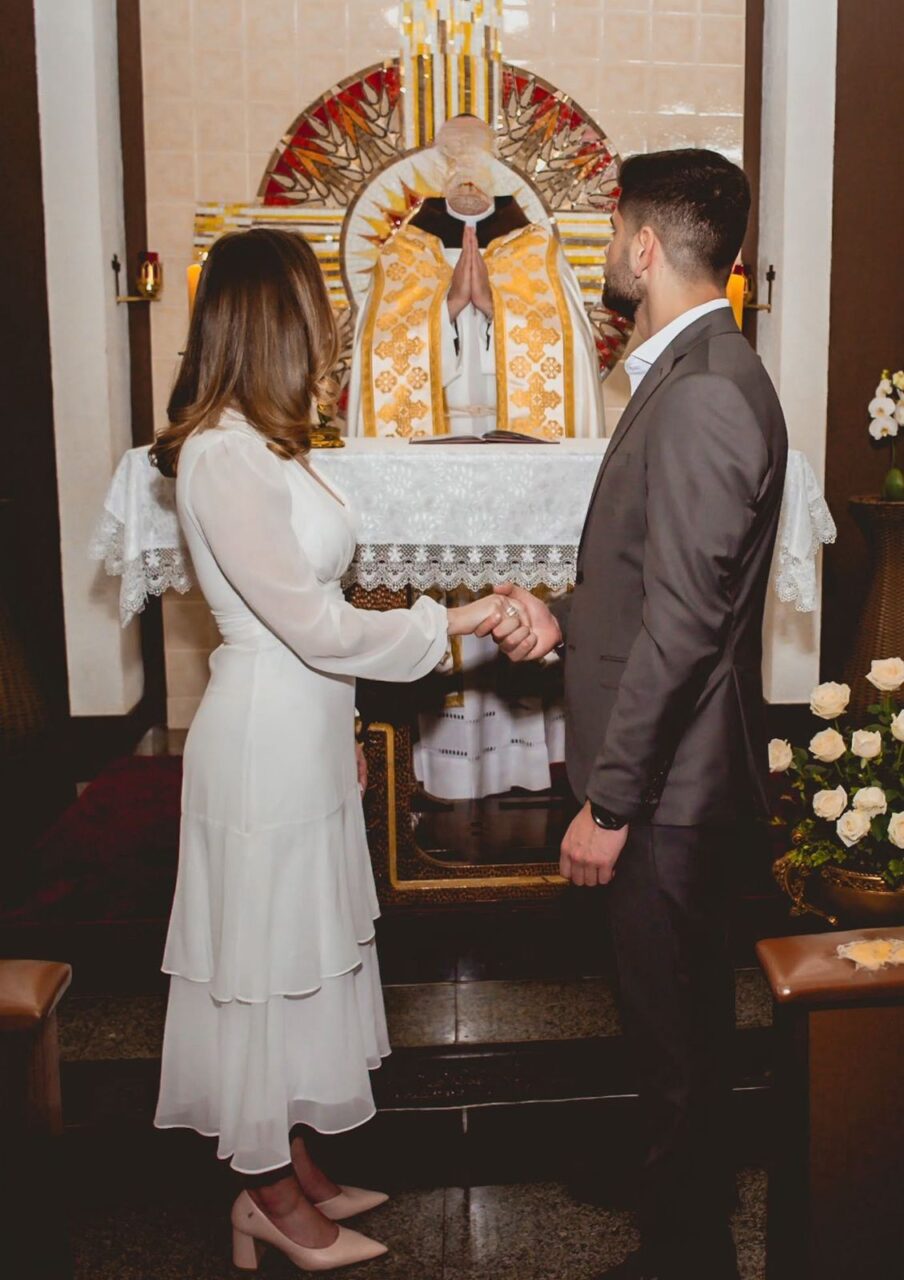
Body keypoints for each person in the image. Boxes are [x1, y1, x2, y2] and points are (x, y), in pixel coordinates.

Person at [149, 228, 522, 1274]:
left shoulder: (267, 442)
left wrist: (347, 726)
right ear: (274, 319)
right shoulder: (222, 455)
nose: (329, 323)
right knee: (263, 964)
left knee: (300, 956)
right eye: (314, 305)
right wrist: (456, 619)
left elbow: (310, 614)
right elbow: (310, 625)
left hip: (303, 727)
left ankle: (296, 1160)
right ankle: (265, 1194)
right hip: (262, 740)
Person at [489, 149, 788, 1280]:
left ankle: (687, 1250)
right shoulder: (694, 368)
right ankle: (673, 1177)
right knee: (673, 1018)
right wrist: (564, 619)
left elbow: (688, 623)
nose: (610, 249)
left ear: (646, 247)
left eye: (617, 231)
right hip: (672, 772)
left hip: (668, 786)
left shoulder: (704, 388)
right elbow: (657, 584)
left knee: (677, 1032)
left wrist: (611, 803)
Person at [347, 113, 603, 800]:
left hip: (512, 456)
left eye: (475, 156)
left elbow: (566, 346)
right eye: (454, 157)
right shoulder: (405, 248)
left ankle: (522, 756)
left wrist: (495, 312)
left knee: (516, 587)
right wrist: (442, 311)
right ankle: (436, 760)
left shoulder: (534, 244)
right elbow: (381, 345)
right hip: (433, 459)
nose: (466, 169)